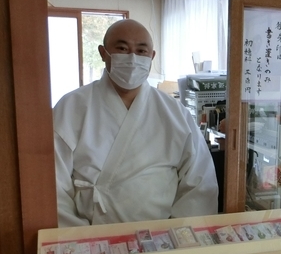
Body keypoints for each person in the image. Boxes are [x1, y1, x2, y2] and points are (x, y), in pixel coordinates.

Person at [53, 19, 219, 227]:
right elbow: (53, 182)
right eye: (122, 48)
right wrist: (78, 238)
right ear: (104, 53)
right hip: (91, 238)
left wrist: (179, 237)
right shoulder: (71, 107)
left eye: (141, 51)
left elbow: (199, 181)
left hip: (160, 238)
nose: (132, 58)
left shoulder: (174, 112)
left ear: (152, 57)